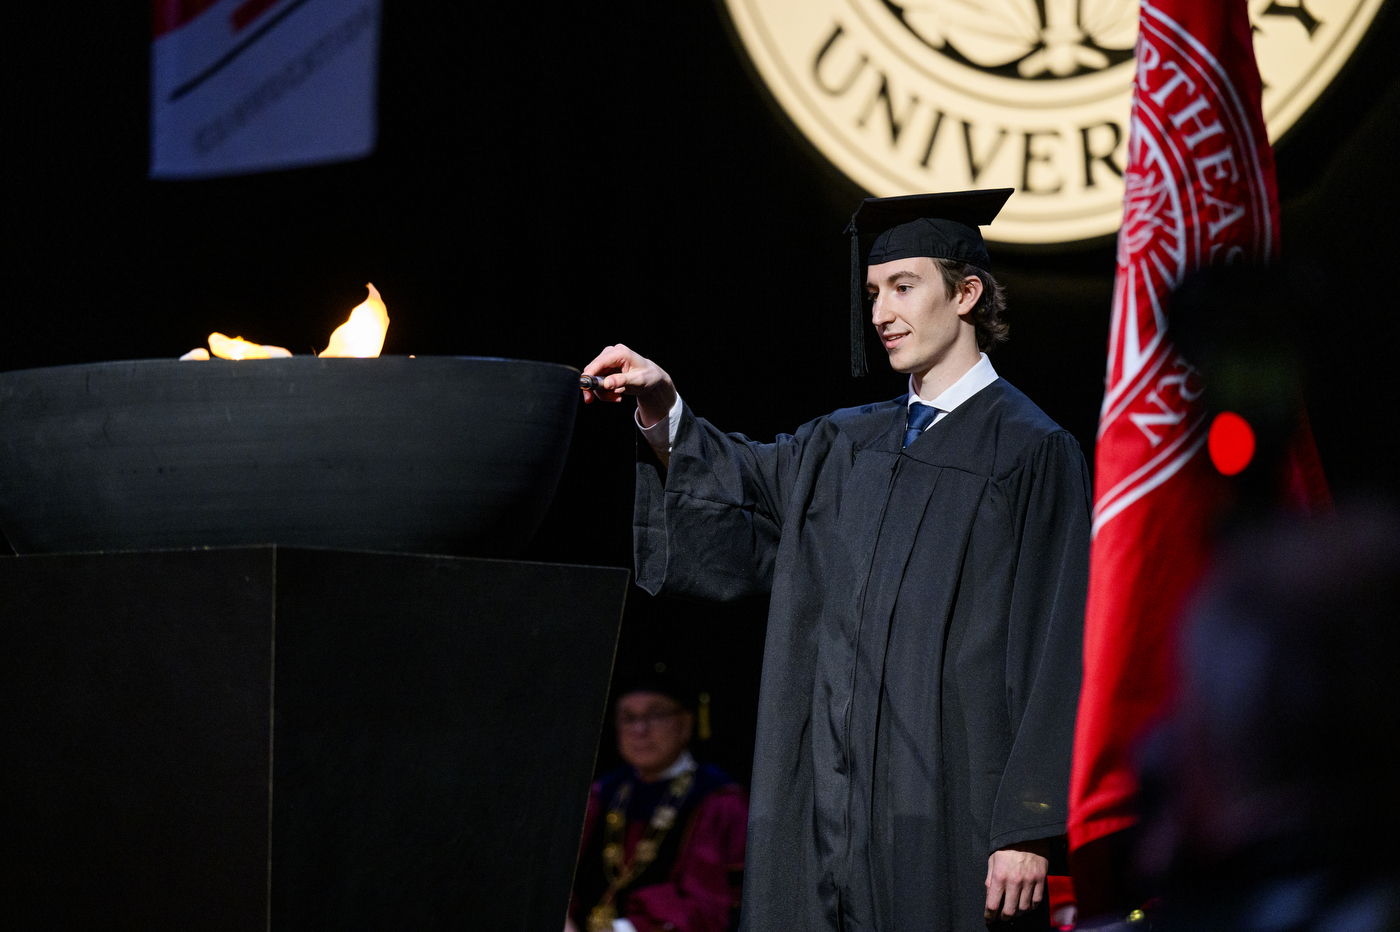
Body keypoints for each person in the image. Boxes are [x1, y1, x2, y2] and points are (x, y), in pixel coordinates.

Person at [580, 189, 1092, 931]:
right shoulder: (844, 444)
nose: (881, 311)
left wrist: (1029, 824)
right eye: (874, 292)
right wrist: (664, 410)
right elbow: (739, 482)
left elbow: (1059, 642)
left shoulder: (1030, 451)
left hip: (952, 808)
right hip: (826, 799)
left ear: (967, 293)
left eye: (904, 287)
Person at [568, 664, 749, 932]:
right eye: (628, 717)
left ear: (686, 724)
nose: (639, 730)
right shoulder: (600, 794)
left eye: (656, 715)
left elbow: (712, 907)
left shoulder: (719, 802)